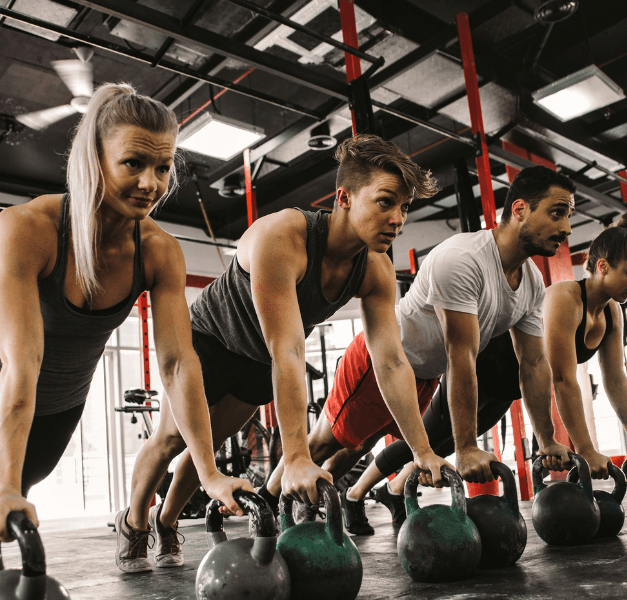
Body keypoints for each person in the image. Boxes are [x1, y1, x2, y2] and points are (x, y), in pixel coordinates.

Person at [0, 83, 252, 599]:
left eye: (163, 168)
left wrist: (208, 473)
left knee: (22, 486)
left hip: (61, 398)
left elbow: (178, 362)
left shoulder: (160, 251)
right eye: (134, 164)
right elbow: (22, 360)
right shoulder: (27, 227)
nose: (151, 183)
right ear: (94, 159)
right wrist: (1, 482)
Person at [124, 134, 450, 569]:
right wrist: (295, 456)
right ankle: (134, 525)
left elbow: (390, 360)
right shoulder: (284, 236)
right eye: (386, 202)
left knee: (215, 440)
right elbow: (289, 350)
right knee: (171, 438)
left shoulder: (376, 269)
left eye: (405, 207)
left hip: (259, 362)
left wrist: (422, 448)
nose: (398, 219)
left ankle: (166, 523)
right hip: (210, 341)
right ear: (345, 197)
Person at [334, 166, 577, 533]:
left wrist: (547, 439)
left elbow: (533, 364)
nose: (566, 228)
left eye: (568, 216)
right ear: (521, 209)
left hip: (425, 376)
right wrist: (466, 448)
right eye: (557, 213)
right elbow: (460, 355)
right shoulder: (464, 258)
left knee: (406, 444)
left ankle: (362, 495)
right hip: (381, 360)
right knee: (339, 446)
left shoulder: (531, 282)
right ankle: (302, 505)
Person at [541, 210, 627, 478]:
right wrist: (586, 449)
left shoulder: (611, 311)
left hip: (509, 393)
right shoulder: (565, 297)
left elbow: (616, 379)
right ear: (603, 266)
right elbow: (562, 378)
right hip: (484, 378)